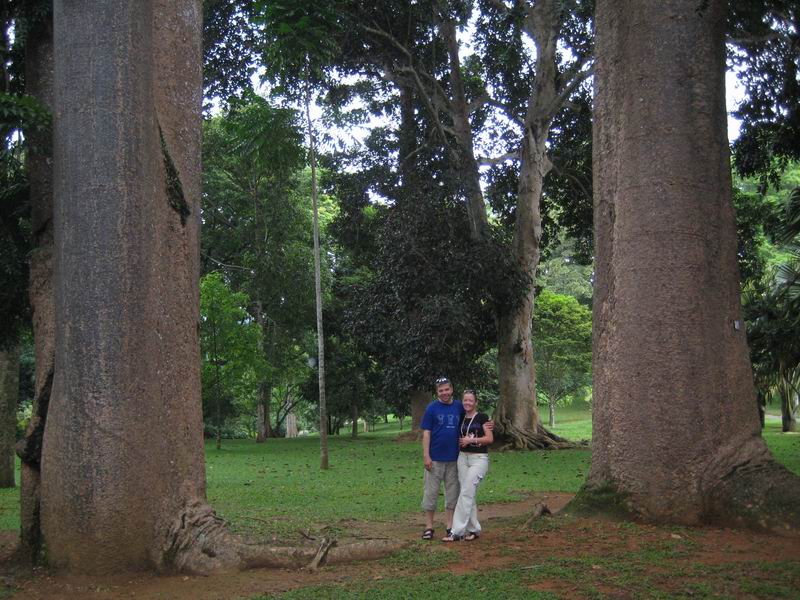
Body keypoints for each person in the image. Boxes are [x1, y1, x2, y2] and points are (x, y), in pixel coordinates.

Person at [442, 389, 492, 542]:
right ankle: (474, 529)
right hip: (463, 458)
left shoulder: (482, 417)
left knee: (466, 492)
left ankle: (456, 532)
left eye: (471, 400)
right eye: (465, 400)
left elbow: (489, 438)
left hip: (479, 459)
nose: (467, 403)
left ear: (476, 402)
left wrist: (471, 440)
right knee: (468, 493)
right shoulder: (461, 417)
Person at [420, 377, 461, 540]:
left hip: (455, 459)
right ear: (437, 392)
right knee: (431, 493)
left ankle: (450, 526)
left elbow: (472, 419)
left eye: (446, 389)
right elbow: (426, 433)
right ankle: (429, 527)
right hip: (435, 459)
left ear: (452, 389)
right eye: (441, 390)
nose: (444, 393)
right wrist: (426, 456)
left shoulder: (459, 407)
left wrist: (487, 424)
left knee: (452, 493)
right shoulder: (432, 408)